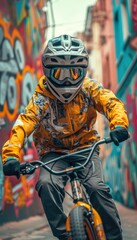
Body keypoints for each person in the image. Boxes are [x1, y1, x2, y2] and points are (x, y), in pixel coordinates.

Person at [2, 34, 129, 240]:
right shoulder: (41, 98)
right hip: (53, 153)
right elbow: (23, 124)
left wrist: (119, 124)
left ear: (83, 71)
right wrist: (11, 155)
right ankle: (67, 234)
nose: (68, 79)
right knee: (46, 185)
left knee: (97, 188)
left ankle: (115, 236)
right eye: (60, 73)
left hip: (86, 148)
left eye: (74, 72)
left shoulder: (89, 88)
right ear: (48, 72)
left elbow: (111, 103)